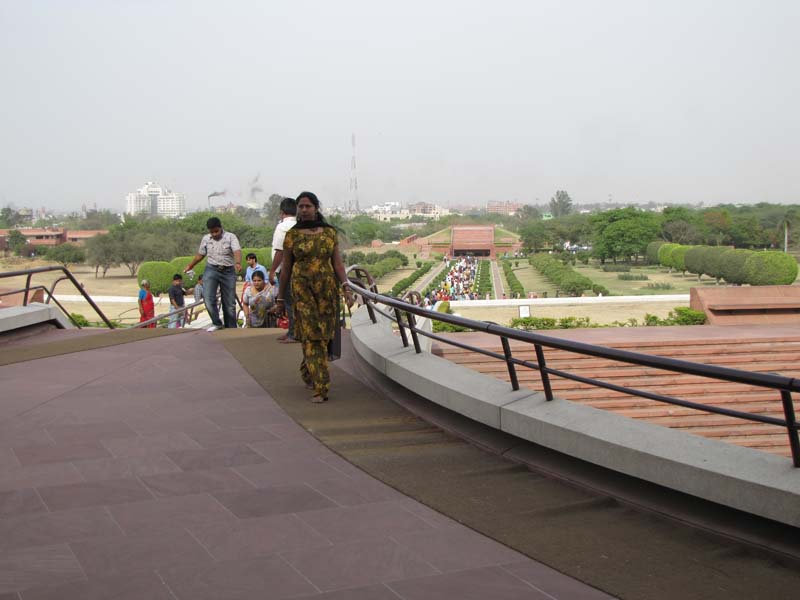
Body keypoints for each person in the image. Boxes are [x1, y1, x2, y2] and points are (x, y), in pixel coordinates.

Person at [275, 191, 354, 403]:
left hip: (327, 291)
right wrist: (280, 298)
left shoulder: (329, 233)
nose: (303, 210)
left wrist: (346, 286)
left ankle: (307, 367)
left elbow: (337, 263)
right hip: (302, 291)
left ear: (316, 208)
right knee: (311, 335)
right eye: (300, 206)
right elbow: (286, 270)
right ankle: (322, 387)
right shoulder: (292, 235)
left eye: (308, 206)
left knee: (324, 335)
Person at [184, 217, 242, 331]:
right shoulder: (206, 239)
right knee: (208, 297)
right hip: (212, 269)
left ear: (221, 228)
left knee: (229, 303)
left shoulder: (230, 237)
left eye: (216, 231)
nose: (214, 234)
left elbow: (237, 251)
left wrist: (238, 262)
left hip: (228, 271)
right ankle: (217, 323)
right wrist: (191, 265)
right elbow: (200, 255)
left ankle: (231, 328)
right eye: (212, 232)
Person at [269, 197, 298, 343]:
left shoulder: (282, 227)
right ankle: (292, 332)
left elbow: (279, 251)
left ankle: (293, 333)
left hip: (286, 270)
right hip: (297, 269)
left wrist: (272, 270)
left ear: (282, 213)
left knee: (289, 302)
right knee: (294, 302)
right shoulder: (299, 225)